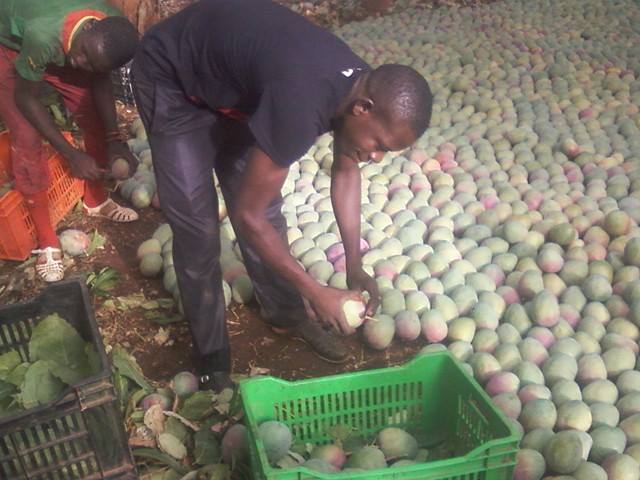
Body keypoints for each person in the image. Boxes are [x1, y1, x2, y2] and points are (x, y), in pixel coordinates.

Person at [131, 0, 432, 392]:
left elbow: (345, 169)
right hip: (173, 82)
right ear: (362, 108)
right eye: (379, 144)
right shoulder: (303, 101)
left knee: (265, 211)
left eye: (386, 153)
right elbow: (247, 217)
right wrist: (316, 291)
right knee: (198, 229)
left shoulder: (357, 90)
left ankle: (286, 315)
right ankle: (212, 360)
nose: (376, 157)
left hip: (234, 91)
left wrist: (354, 266)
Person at [0, 0, 140, 282]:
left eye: (91, 64)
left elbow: (99, 80)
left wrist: (114, 139)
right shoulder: (44, 35)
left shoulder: (107, 31)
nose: (79, 64)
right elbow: (25, 98)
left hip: (59, 43)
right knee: (27, 139)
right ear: (88, 28)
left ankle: (96, 200)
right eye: (84, 55)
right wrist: (70, 153)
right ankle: (47, 241)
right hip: (12, 48)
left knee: (96, 119)